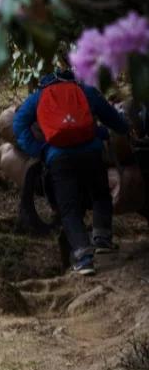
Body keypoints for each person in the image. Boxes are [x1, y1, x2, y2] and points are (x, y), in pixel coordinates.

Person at [13, 69, 129, 276]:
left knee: (69, 208)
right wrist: (123, 128)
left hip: (58, 158)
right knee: (101, 195)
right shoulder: (85, 91)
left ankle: (84, 258)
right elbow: (112, 117)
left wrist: (38, 150)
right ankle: (102, 238)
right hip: (91, 154)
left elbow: (18, 123)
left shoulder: (38, 96)